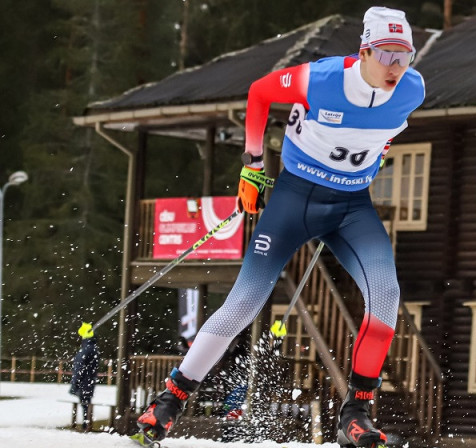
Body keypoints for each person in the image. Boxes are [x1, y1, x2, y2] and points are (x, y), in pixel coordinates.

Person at [137, 6, 425, 447]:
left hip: (351, 207)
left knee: (386, 296)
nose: (395, 67)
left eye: (404, 56)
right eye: (386, 55)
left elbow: (387, 130)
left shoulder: (412, 89)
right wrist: (252, 165)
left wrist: (376, 152)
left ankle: (356, 414)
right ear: (364, 51)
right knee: (245, 302)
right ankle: (170, 400)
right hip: (295, 200)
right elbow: (259, 93)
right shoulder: (322, 79)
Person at [70, 322, 99, 431]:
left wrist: (75, 383)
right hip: (88, 381)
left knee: (85, 403)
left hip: (84, 382)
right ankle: (86, 423)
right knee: (86, 403)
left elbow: (79, 368)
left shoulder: (86, 349)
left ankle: (86, 424)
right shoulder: (92, 348)